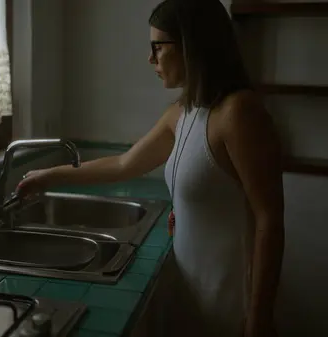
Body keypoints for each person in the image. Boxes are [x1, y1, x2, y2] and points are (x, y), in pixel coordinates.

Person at [16, 0, 284, 336]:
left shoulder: (239, 113)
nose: (150, 58)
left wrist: (258, 319)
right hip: (192, 293)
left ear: (192, 45)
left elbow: (269, 219)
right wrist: (49, 176)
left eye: (158, 47)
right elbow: (123, 164)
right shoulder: (183, 112)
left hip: (233, 301)